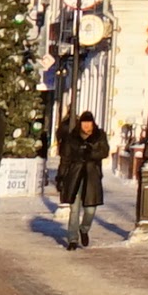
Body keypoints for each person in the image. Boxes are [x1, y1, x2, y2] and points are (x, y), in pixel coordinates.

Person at [51, 106, 108, 249]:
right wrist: (61, 177)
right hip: (74, 175)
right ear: (80, 123)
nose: (86, 125)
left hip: (91, 175)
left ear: (93, 123)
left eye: (89, 122)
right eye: (84, 122)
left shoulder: (99, 136)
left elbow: (104, 152)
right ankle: (72, 239)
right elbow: (65, 159)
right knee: (74, 209)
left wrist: (91, 152)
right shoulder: (72, 137)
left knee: (90, 210)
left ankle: (84, 229)